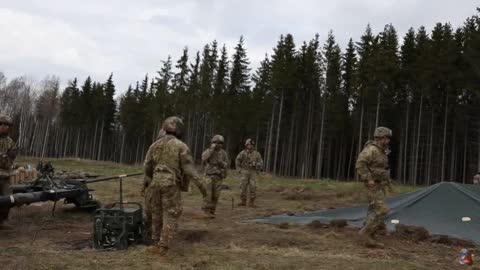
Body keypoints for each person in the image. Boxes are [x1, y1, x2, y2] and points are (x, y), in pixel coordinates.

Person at [142, 116, 202, 256]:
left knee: (156, 214)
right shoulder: (181, 146)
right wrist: (202, 187)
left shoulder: (155, 145)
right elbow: (189, 169)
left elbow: (147, 165)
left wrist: (149, 179)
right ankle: (163, 246)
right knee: (171, 213)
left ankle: (156, 243)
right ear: (179, 130)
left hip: (155, 183)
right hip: (170, 183)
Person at [355, 127, 393, 247]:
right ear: (380, 138)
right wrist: (368, 178)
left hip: (379, 184)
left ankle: (369, 236)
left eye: (388, 138)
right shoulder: (371, 150)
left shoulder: (382, 151)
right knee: (381, 210)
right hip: (372, 185)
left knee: (373, 209)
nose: (388, 140)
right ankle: (365, 233)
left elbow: (380, 168)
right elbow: (360, 163)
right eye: (386, 138)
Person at [201, 135, 229, 218]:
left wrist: (222, 164)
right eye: (215, 142)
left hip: (218, 176)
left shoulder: (223, 153)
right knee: (208, 194)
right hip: (208, 176)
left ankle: (212, 211)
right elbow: (204, 158)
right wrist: (211, 150)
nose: (218, 144)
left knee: (216, 195)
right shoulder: (208, 151)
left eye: (220, 143)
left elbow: (227, 164)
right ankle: (206, 211)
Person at [0, 114, 17, 229]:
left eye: (7, 125)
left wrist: (8, 157)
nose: (4, 127)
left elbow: (10, 159)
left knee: (7, 199)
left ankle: (3, 220)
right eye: (2, 124)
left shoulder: (10, 142)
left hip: (5, 175)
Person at [235, 139, 263, 207]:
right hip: (244, 171)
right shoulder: (243, 153)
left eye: (251, 145)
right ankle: (243, 201)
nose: (250, 146)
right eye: (249, 144)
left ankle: (251, 202)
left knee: (253, 187)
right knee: (243, 186)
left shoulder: (257, 154)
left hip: (253, 172)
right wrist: (239, 169)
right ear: (246, 145)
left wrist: (256, 164)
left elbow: (261, 163)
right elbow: (237, 160)